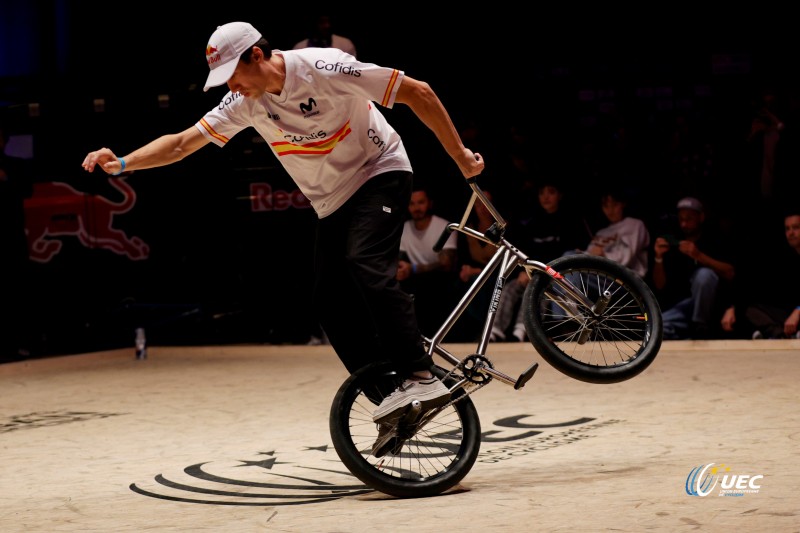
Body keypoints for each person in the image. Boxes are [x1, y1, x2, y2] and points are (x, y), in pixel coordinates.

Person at [81, 22, 484, 427]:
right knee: (328, 301)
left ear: (257, 55)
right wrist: (124, 163)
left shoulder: (324, 67)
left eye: (232, 75)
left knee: (364, 263)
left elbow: (419, 92)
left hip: (379, 170)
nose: (231, 87)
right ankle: (396, 401)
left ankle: (420, 376)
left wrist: (461, 157)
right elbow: (184, 143)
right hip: (332, 199)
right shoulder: (245, 102)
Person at [491, 177, 587, 342]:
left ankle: (521, 331)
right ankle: (495, 331)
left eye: (551, 192)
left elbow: (568, 254)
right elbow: (524, 251)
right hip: (529, 271)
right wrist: (523, 271)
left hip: (553, 274)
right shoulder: (533, 222)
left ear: (560, 195)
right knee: (509, 288)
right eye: (542, 193)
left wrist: (539, 272)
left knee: (538, 289)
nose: (546, 197)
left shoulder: (569, 221)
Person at [651, 197, 736, 339]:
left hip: (713, 305)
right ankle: (690, 336)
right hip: (685, 307)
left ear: (701, 217)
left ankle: (700, 327)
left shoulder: (715, 238)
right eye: (681, 219)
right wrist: (658, 258)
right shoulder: (675, 242)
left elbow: (730, 273)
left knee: (704, 275)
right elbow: (660, 286)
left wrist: (698, 255)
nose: (684, 224)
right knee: (658, 327)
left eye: (689, 219)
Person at [720, 210, 800, 339]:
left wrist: (798, 311)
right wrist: (733, 307)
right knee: (750, 310)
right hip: (789, 317)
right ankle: (779, 335)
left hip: (797, 313)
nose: (791, 233)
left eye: (796, 228)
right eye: (787, 229)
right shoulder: (786, 258)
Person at [397, 185, 458, 337]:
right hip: (413, 280)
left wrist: (414, 269)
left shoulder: (444, 226)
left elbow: (447, 264)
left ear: (429, 203)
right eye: (412, 203)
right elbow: (399, 259)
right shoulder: (404, 228)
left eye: (421, 202)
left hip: (440, 280)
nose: (416, 207)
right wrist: (401, 270)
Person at [292, 13, 357, 57]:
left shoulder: (345, 44)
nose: (327, 26)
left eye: (328, 22)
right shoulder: (299, 48)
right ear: (313, 24)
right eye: (322, 22)